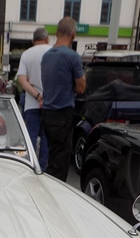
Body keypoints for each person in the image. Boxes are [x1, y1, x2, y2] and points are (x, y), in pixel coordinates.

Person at [40, 16, 85, 181]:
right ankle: (53, 193)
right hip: (62, 114)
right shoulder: (72, 57)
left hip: (47, 113)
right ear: (73, 34)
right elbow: (81, 88)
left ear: (56, 33)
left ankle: (47, 186)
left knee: (53, 157)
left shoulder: (46, 56)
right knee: (60, 164)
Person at [16, 27, 51, 171]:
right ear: (47, 39)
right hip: (50, 103)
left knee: (30, 137)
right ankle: (43, 169)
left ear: (33, 40)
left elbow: (22, 80)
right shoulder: (52, 51)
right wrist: (45, 97)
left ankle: (29, 166)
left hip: (31, 104)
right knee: (46, 139)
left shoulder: (26, 54)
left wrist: (37, 96)